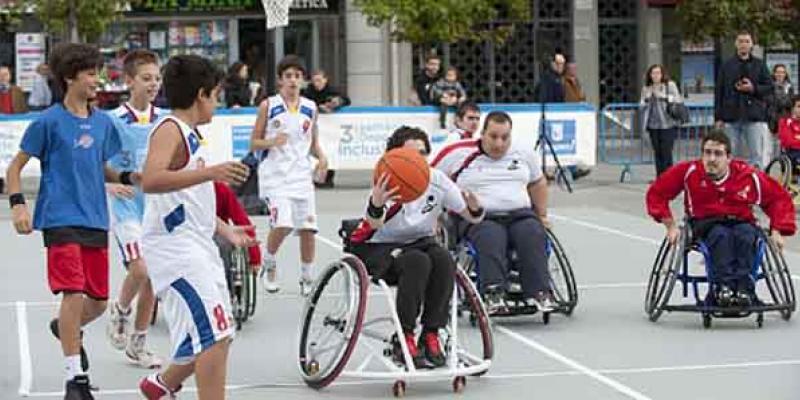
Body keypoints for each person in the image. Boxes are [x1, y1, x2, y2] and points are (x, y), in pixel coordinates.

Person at [5, 43, 125, 400]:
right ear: (70, 77)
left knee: (99, 302)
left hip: (95, 218)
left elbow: (101, 165)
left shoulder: (104, 123)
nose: (96, 80)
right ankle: (75, 379)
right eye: (90, 73)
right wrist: (17, 206)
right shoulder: (47, 122)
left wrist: (126, 179)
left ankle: (64, 328)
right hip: (60, 218)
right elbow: (15, 168)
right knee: (72, 292)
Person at [137, 54, 254, 400]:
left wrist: (224, 229)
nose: (217, 102)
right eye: (216, 94)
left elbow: (189, 200)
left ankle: (160, 385)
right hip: (175, 252)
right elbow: (152, 180)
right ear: (202, 94)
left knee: (222, 330)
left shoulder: (189, 134)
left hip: (197, 244)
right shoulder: (170, 128)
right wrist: (212, 172)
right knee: (215, 335)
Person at [348, 126, 484, 368]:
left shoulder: (436, 180)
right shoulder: (388, 180)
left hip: (419, 243)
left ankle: (431, 332)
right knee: (417, 261)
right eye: (410, 154)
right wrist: (377, 203)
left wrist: (475, 207)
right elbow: (374, 223)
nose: (416, 160)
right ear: (394, 156)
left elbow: (471, 215)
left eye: (422, 153)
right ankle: (405, 337)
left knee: (443, 259)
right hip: (377, 246)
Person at [646, 129, 795, 306]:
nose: (711, 159)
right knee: (720, 235)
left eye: (718, 154)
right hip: (705, 222)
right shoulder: (689, 171)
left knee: (746, 236)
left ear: (728, 157)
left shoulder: (747, 175)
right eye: (707, 153)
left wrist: (777, 230)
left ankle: (744, 289)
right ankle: (721, 287)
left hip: (741, 221)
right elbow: (657, 193)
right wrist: (670, 226)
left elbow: (779, 198)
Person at [432, 111, 556, 314]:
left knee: (533, 233)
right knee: (491, 236)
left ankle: (540, 292)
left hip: (519, 213)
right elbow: (431, 180)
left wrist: (542, 215)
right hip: (478, 215)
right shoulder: (457, 153)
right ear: (482, 133)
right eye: (493, 137)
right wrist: (434, 216)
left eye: (505, 138)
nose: (499, 144)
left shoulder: (524, 153)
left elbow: (537, 182)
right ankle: (493, 292)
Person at [105, 49, 166, 369]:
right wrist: (108, 184)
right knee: (139, 269)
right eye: (146, 78)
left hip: (155, 207)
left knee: (153, 278)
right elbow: (95, 164)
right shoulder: (112, 121)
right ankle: (120, 310)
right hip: (126, 205)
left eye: (157, 78)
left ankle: (139, 343)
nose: (153, 83)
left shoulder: (166, 120)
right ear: (129, 81)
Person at [250, 55, 328, 296]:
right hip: (275, 176)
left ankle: (306, 275)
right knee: (282, 223)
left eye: (297, 76)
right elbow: (254, 143)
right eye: (288, 76)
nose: (293, 81)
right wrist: (272, 141)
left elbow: (313, 142)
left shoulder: (310, 108)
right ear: (280, 80)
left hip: (301, 176)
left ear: (302, 80)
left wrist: (322, 159)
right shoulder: (269, 105)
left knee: (308, 229)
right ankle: (269, 263)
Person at [714, 30, 773, 168]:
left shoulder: (759, 64)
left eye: (747, 41)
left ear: (752, 44)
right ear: (736, 44)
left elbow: (769, 87)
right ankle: (730, 185)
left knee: (756, 156)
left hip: (754, 116)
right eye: (741, 41)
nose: (743, 45)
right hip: (731, 117)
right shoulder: (727, 65)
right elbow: (719, 92)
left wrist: (753, 88)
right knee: (728, 155)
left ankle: (755, 186)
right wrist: (718, 117)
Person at [534, 52, 591, 180]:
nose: (561, 66)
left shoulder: (559, 79)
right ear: (552, 64)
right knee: (553, 145)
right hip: (553, 115)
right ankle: (552, 170)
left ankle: (570, 168)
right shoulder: (551, 79)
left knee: (563, 144)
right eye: (559, 64)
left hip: (560, 115)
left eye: (563, 64)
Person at [640, 64, 683, 176]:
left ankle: (669, 177)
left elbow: (677, 99)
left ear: (662, 74)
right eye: (653, 73)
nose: (655, 76)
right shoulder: (646, 88)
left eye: (658, 73)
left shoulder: (670, 85)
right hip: (653, 125)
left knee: (666, 152)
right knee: (657, 152)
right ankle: (660, 177)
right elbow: (641, 106)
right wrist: (646, 99)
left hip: (668, 124)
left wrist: (662, 96)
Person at [214, 181, 262, 275]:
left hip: (220, 233)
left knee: (222, 242)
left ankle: (224, 281)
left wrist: (255, 257)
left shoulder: (221, 189)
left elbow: (242, 220)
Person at [768, 64, 794, 134]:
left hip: (786, 120)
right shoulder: (769, 86)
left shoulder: (789, 86)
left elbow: (791, 103)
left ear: (785, 74)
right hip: (772, 121)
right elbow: (776, 102)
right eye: (778, 72)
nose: (780, 74)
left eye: (783, 72)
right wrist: (784, 92)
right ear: (774, 73)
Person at [778, 96, 800, 174]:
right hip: (790, 154)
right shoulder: (784, 122)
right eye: (798, 106)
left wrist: (796, 139)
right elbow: (788, 142)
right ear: (792, 109)